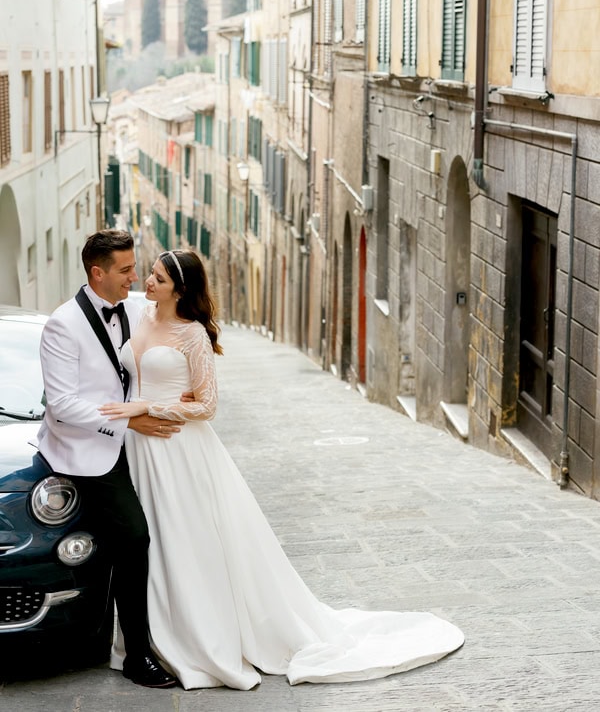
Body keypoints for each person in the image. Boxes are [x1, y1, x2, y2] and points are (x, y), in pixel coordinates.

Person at [101, 249, 464, 690]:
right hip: (137, 449)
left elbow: (208, 406)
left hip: (180, 451)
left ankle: (201, 639)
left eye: (157, 277)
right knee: (152, 544)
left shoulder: (193, 335)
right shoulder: (139, 315)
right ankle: (151, 637)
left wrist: (146, 405)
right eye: (150, 275)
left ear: (180, 288)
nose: (147, 282)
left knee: (187, 541)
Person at [38, 230, 179, 689]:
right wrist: (126, 424)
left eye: (135, 268)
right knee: (134, 538)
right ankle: (137, 655)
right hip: (88, 451)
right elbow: (62, 404)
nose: (134, 277)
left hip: (137, 442)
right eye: (125, 270)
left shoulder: (136, 307)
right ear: (97, 273)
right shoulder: (62, 324)